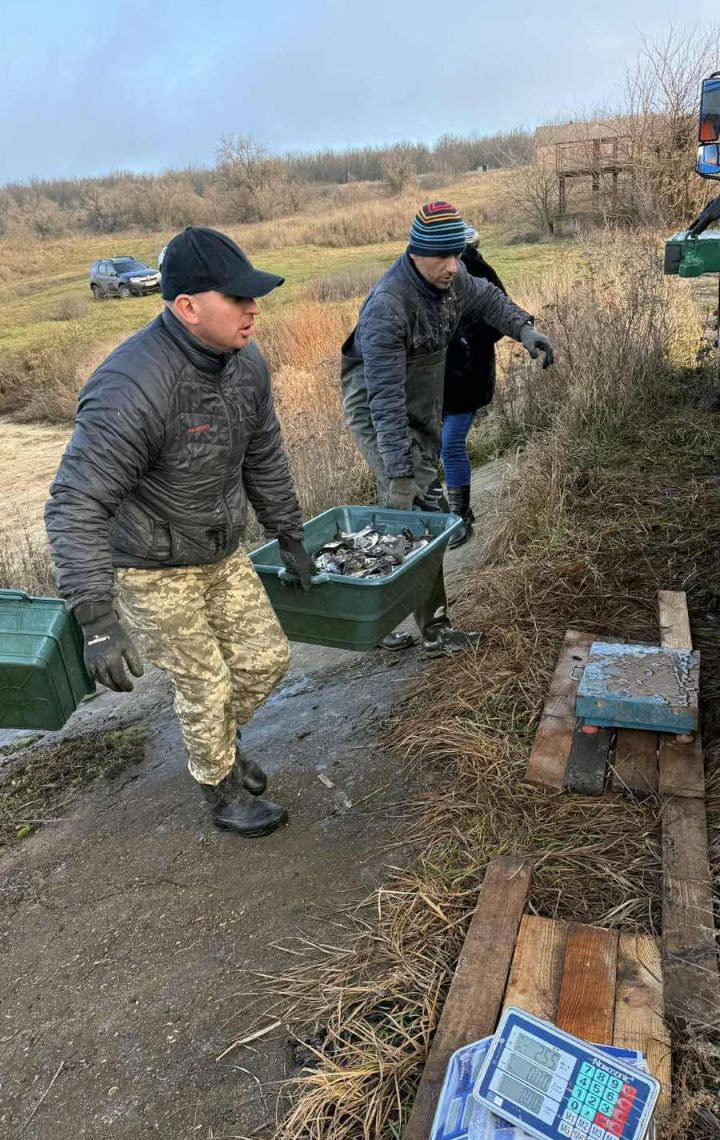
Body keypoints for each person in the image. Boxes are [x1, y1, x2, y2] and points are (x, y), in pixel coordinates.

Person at [45, 226, 316, 839]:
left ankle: (218, 742)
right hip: (148, 564)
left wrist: (289, 533)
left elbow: (263, 454)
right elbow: (75, 503)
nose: (254, 308)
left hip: (218, 549)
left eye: (253, 296)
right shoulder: (132, 385)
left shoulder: (246, 364)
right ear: (188, 307)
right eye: (237, 298)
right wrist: (96, 619)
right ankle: (219, 787)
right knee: (205, 685)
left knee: (266, 661)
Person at [341, 199, 554, 656]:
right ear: (416, 252)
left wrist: (524, 330)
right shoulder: (388, 306)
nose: (453, 266)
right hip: (379, 402)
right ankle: (427, 628)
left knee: (409, 509)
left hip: (421, 391)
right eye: (442, 256)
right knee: (421, 506)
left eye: (457, 254)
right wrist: (400, 472)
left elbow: (489, 298)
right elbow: (385, 401)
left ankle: (382, 617)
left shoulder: (454, 280)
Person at [441, 224, 506, 550]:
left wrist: (465, 336)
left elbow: (499, 319)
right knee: (435, 447)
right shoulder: (427, 275)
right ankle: (443, 515)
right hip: (437, 381)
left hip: (468, 376)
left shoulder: (478, 271)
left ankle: (459, 516)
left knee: (450, 444)